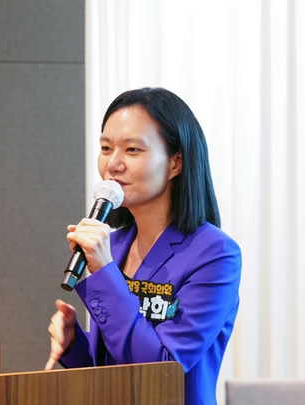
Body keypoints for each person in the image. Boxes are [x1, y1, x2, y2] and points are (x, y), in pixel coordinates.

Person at [45, 87, 241, 405]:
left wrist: (104, 271)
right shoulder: (114, 246)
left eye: (132, 150)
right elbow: (113, 371)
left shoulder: (215, 254)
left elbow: (161, 371)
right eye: (106, 148)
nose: (113, 164)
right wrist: (73, 344)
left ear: (176, 163)